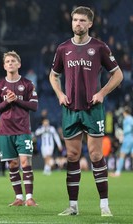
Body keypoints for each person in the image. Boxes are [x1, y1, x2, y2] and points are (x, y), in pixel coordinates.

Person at [48, 6, 123, 217]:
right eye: (75, 20)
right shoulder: (63, 49)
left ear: (90, 23)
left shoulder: (99, 47)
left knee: (96, 155)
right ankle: (73, 207)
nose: (77, 24)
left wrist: (102, 93)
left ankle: (104, 206)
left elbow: (118, 75)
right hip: (70, 109)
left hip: (93, 109)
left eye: (82, 20)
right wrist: (60, 94)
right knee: (72, 156)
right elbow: (53, 75)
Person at [0, 50, 39, 207]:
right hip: (5, 131)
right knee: (12, 164)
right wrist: (7, 102)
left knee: (25, 162)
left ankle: (30, 197)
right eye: (7, 61)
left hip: (23, 130)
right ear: (4, 66)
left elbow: (34, 105)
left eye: (13, 61)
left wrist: (16, 100)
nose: (10, 63)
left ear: (19, 64)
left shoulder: (27, 84)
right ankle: (19, 197)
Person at [110, 106, 133, 177]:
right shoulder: (131, 118)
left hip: (128, 139)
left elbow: (129, 129)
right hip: (131, 138)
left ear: (125, 112)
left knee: (122, 155)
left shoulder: (127, 119)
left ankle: (118, 172)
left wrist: (122, 132)